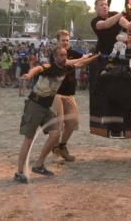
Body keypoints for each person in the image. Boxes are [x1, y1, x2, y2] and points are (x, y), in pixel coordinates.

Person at [15, 46, 97, 182]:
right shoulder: (49, 66)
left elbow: (80, 63)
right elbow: (38, 69)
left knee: (55, 134)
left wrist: (96, 57)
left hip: (46, 107)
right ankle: (19, 172)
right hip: (34, 105)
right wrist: (29, 75)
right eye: (60, 55)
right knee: (28, 138)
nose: (63, 58)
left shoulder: (66, 68)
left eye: (65, 55)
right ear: (54, 57)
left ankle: (39, 165)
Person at [50, 30, 85, 163]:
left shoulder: (74, 53)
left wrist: (98, 54)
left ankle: (62, 146)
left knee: (72, 122)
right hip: (56, 94)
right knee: (57, 125)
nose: (65, 42)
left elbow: (86, 57)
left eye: (67, 40)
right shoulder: (55, 54)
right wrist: (82, 59)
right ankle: (54, 150)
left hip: (69, 93)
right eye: (63, 40)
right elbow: (66, 62)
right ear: (57, 41)